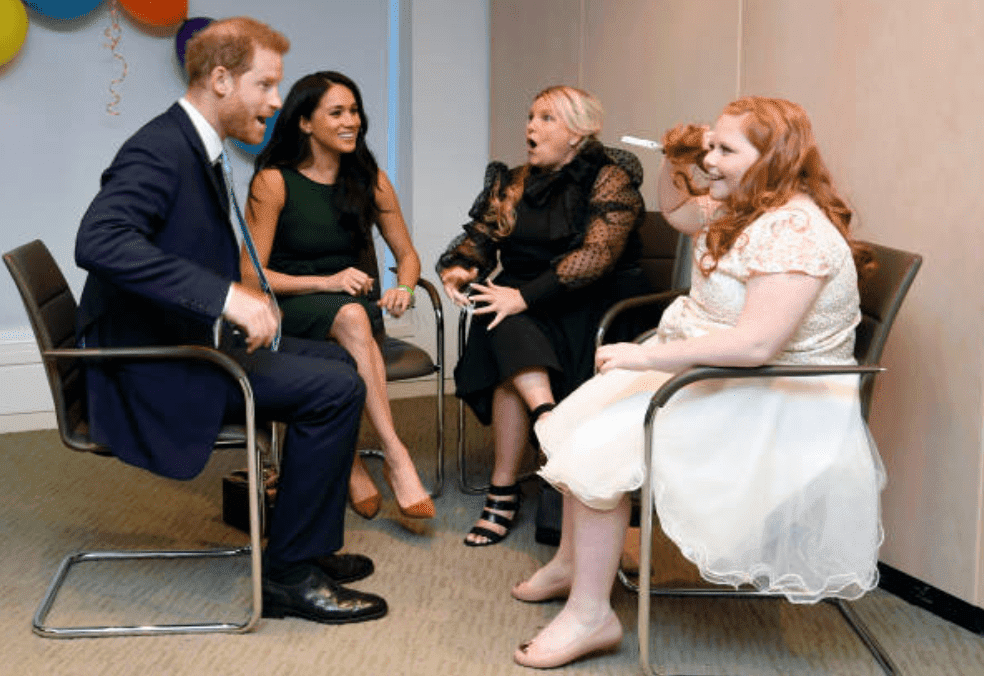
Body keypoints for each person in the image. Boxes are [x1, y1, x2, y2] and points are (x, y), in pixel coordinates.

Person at [510, 96, 884, 668]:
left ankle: (593, 615)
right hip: (711, 372)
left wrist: (644, 360)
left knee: (595, 452)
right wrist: (672, 162)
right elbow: (680, 214)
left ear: (773, 159)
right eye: (711, 145)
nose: (710, 160)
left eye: (725, 150)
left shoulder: (796, 231)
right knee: (573, 424)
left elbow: (758, 345)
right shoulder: (748, 204)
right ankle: (573, 562)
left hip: (773, 395)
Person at [74, 17, 387, 625]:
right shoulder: (160, 148)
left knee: (336, 363)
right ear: (220, 79)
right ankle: (289, 576)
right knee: (336, 389)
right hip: (151, 369)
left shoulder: (193, 144)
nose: (276, 101)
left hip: (182, 344)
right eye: (266, 85)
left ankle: (306, 546)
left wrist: (248, 296)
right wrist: (226, 297)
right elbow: (100, 239)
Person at [437, 85, 646, 546]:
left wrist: (524, 298)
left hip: (592, 306)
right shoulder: (513, 182)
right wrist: (460, 268)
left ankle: (504, 491)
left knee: (505, 321)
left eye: (547, 118)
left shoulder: (609, 178)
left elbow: (597, 256)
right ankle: (548, 422)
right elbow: (481, 239)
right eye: (531, 116)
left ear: (579, 132)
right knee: (501, 312)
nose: (531, 126)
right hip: (526, 307)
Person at [244, 71, 434, 520]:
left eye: (354, 111)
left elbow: (407, 254)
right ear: (306, 123)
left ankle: (350, 462)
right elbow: (252, 276)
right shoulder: (274, 182)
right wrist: (326, 282)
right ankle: (394, 453)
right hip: (290, 307)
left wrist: (404, 288)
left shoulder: (372, 180)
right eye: (337, 112)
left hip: (355, 314)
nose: (352, 121)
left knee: (352, 319)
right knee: (351, 317)